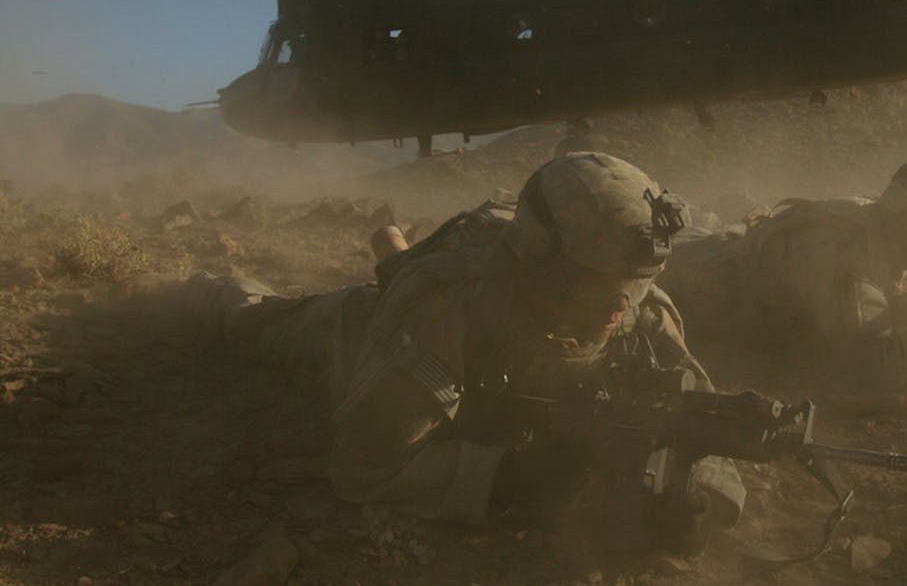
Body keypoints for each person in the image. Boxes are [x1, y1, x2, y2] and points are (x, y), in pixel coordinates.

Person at [183, 152, 743, 553]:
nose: (616, 307)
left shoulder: (641, 308)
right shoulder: (447, 310)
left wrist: (698, 499)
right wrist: (508, 478)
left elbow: (700, 418)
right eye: (593, 284)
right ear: (537, 264)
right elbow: (366, 467)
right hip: (361, 333)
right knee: (257, 320)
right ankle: (197, 285)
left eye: (634, 283)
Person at [664, 156, 907, 390]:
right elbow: (873, 367)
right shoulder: (845, 250)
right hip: (687, 277)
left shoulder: (899, 244)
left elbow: (896, 309)